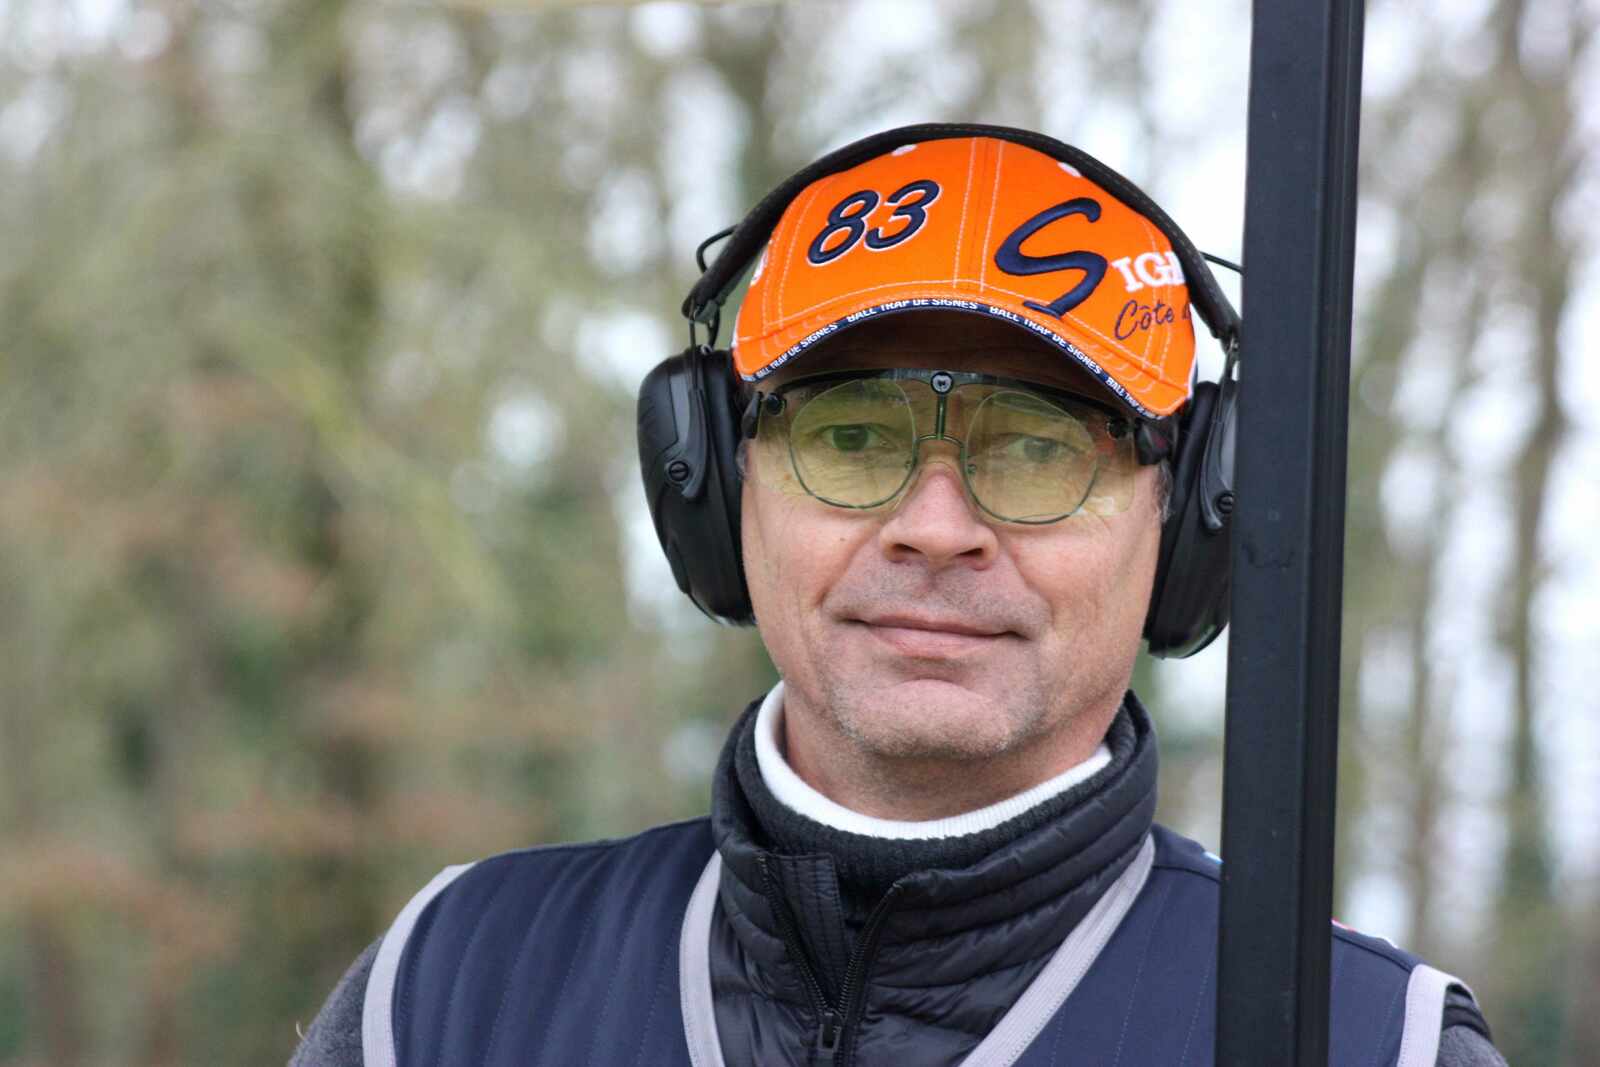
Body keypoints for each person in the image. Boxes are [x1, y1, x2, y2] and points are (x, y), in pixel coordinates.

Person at [290, 124, 1504, 1066]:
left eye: (1036, 445)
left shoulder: (1367, 1041)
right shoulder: (446, 992)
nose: (935, 527)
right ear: (716, 487)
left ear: (1188, 515)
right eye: (852, 433)